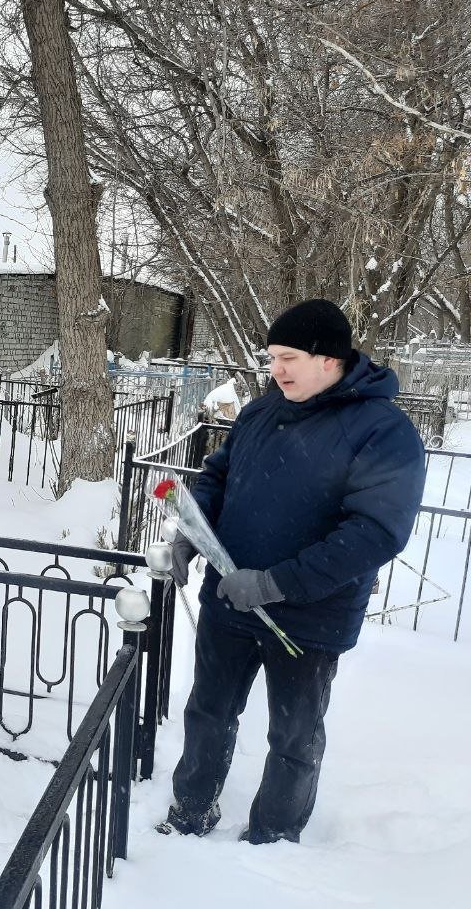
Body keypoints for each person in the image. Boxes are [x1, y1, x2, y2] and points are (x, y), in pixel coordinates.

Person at [161, 298, 425, 844]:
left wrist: (277, 583)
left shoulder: (384, 432)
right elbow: (216, 478)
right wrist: (190, 533)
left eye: (288, 357)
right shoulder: (262, 412)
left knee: (293, 736)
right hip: (229, 600)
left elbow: (375, 532)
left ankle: (273, 842)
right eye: (272, 357)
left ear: (329, 359)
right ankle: (190, 813)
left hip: (309, 617)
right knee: (208, 712)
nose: (275, 369)